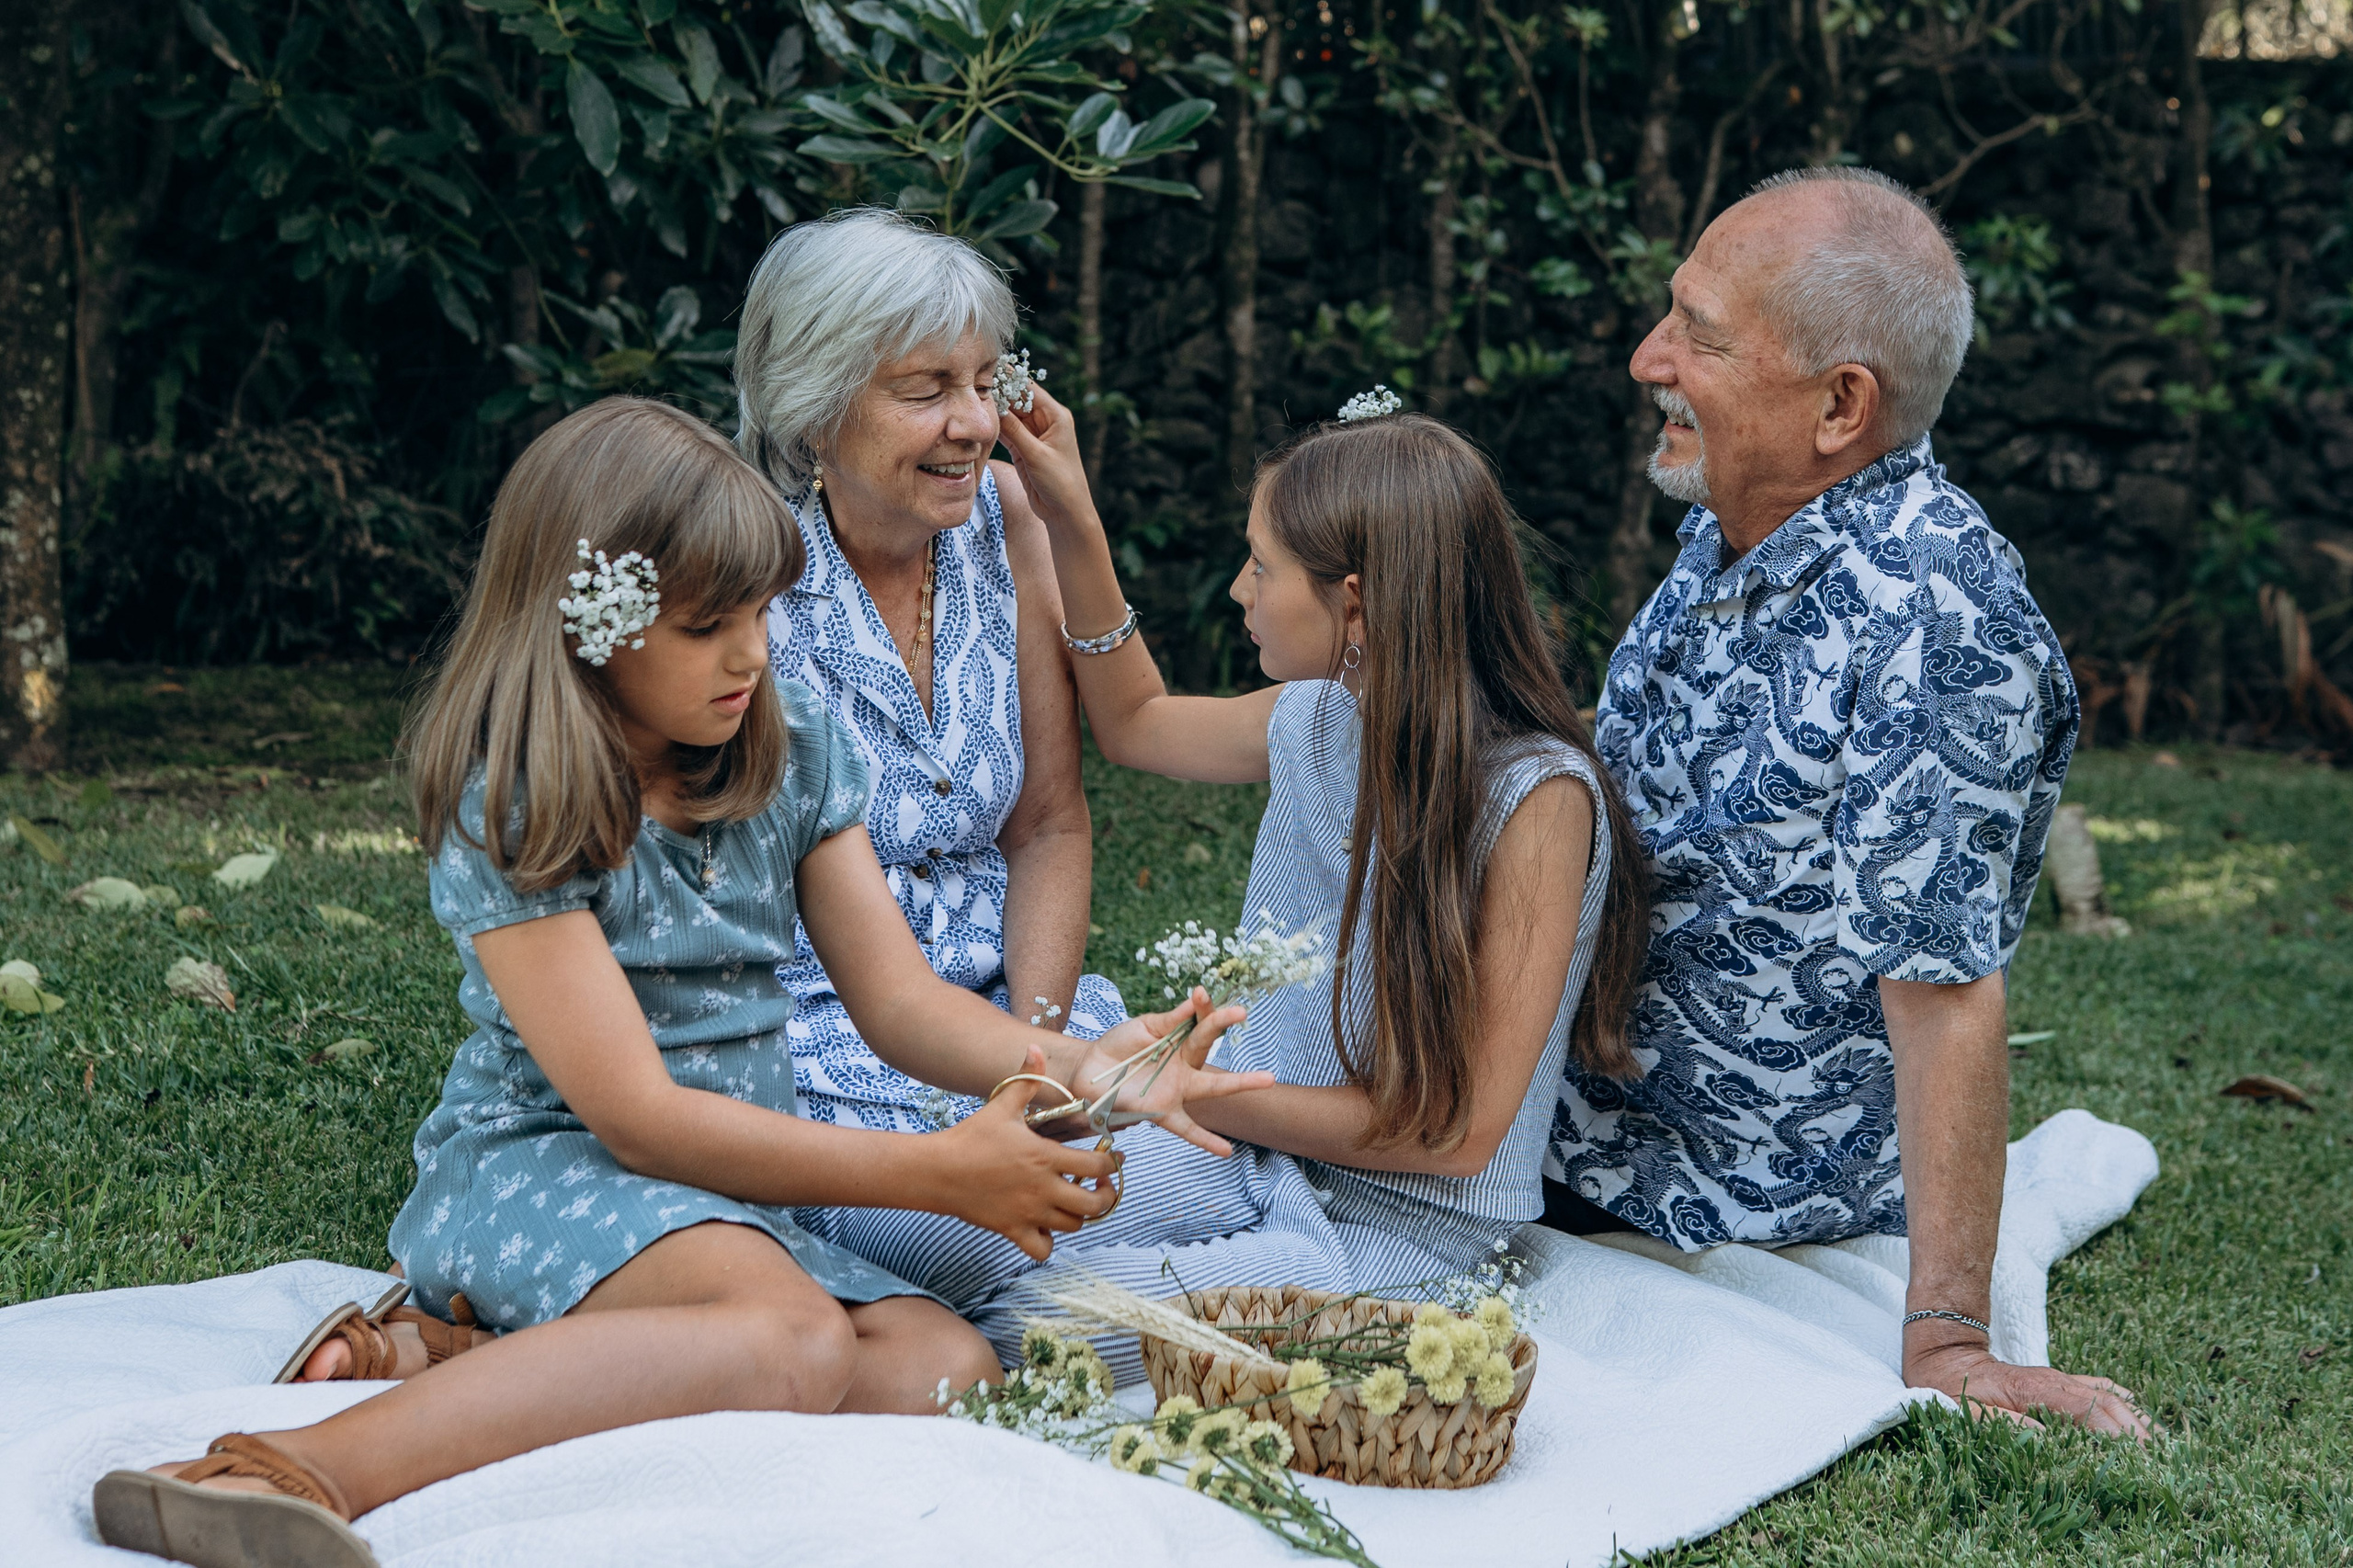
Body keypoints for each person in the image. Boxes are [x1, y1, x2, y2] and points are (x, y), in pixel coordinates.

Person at [91, 398, 1266, 1568]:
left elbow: (901, 1004)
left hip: (725, 1188)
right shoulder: (524, 804)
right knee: (790, 1340)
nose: (752, 652)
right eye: (709, 625)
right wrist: (935, 1173)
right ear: (588, 627)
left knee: (946, 1366)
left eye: (760, 612)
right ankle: (290, 1465)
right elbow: (637, 1119)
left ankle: (458, 1356)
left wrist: (1088, 1066)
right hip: (546, 1165)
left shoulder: (790, 747)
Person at [1545, 165, 2149, 1437]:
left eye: (1699, 333)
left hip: (1712, 1191)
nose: (1649, 357)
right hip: (1574, 1119)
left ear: (1839, 406)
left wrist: (1949, 1337)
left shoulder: (1937, 625)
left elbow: (1946, 994)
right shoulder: (1741, 522)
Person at [885, 388, 1652, 1381]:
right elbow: (1137, 722)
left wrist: (1188, 1093)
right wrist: (1069, 511)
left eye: (1261, 564)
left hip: (1394, 1230)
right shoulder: (1318, 713)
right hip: (1245, 1151)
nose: (1238, 588)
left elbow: (1459, 1137)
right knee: (928, 1232)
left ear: (1354, 602)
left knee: (1034, 1326)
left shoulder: (1536, 801)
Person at [735, 210, 1125, 1159]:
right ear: (814, 405)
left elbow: (1047, 823)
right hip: (815, 1032)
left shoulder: (1010, 517)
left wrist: (1035, 1052)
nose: (979, 424)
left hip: (1013, 1003)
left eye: (986, 383)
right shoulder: (740, 569)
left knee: (1216, 1161)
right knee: (1034, 1215)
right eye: (926, 390)